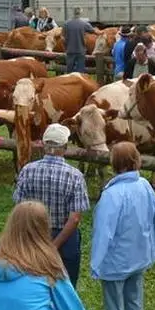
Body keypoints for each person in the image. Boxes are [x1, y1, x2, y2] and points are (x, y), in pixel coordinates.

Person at [89, 142, 155, 310]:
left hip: (116, 262)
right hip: (140, 256)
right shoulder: (144, 185)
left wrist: (96, 263)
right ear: (137, 160)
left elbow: (103, 232)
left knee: (115, 307)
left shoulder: (112, 194)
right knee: (134, 302)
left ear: (113, 164)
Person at [13, 123, 90, 286]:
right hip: (64, 237)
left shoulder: (28, 170)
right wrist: (54, 246)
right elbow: (75, 218)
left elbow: (20, 206)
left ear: (43, 145)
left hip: (34, 232)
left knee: (33, 281)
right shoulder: (75, 176)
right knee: (66, 284)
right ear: (65, 147)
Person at [63, 8, 95, 74]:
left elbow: (63, 37)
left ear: (73, 13)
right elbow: (95, 31)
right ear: (80, 13)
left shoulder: (66, 24)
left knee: (69, 71)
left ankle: (70, 83)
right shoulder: (84, 23)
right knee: (80, 72)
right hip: (80, 51)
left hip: (70, 51)